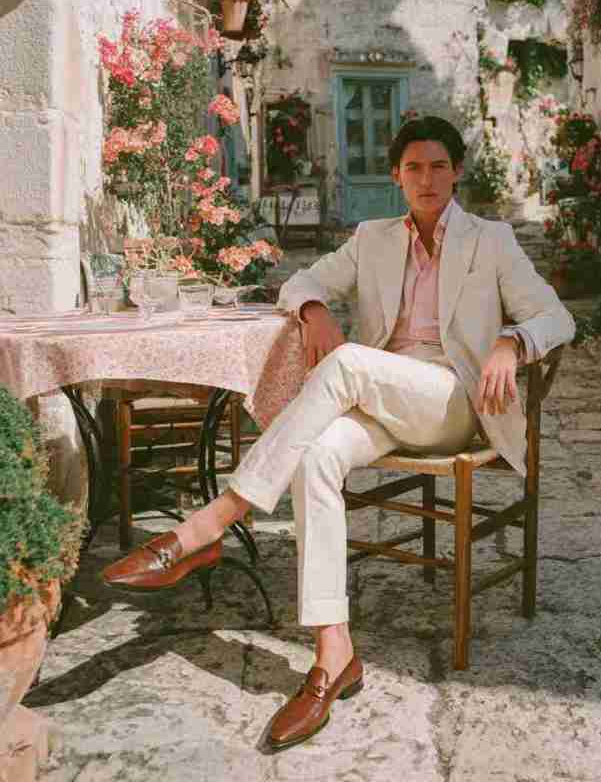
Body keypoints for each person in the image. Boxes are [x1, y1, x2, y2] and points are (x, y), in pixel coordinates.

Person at [103, 115, 575, 750]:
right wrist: (314, 308)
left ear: (456, 172)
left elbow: (558, 315)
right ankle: (333, 655)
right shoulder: (373, 237)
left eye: (438, 166)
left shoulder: (491, 240)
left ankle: (207, 526)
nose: (427, 179)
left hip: (453, 402)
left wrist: (512, 342)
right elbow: (300, 281)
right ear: (396, 177)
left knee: (348, 362)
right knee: (316, 457)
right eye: (413, 168)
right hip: (383, 395)